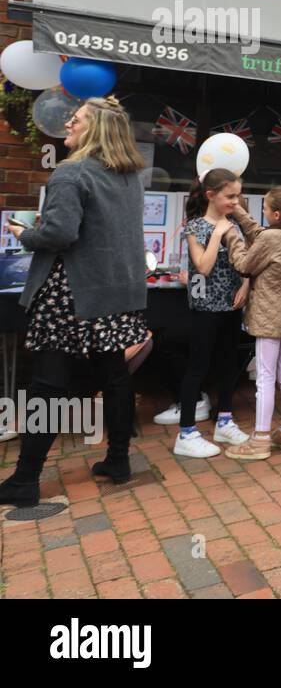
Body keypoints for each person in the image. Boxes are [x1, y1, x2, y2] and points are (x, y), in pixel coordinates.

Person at [0, 99, 149, 507]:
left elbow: (60, 234)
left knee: (47, 385)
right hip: (117, 292)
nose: (68, 121)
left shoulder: (71, 172)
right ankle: (118, 462)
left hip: (72, 292)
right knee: (115, 377)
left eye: (77, 118)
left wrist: (25, 234)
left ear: (95, 129)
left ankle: (26, 480)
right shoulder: (131, 176)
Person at [220, 188, 281, 460]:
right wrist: (237, 210)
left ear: (276, 215)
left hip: (268, 317)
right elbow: (260, 233)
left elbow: (244, 266)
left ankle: (260, 438)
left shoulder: (272, 237)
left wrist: (230, 236)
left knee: (264, 377)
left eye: (265, 209)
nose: (261, 213)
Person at [165, 168, 252, 458]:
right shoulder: (196, 228)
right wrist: (217, 234)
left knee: (228, 364)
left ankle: (224, 420)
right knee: (198, 366)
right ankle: (186, 431)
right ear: (211, 196)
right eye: (230, 196)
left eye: (238, 196)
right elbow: (203, 265)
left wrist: (246, 285)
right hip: (205, 308)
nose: (235, 201)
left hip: (230, 305)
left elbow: (245, 259)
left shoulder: (234, 225)